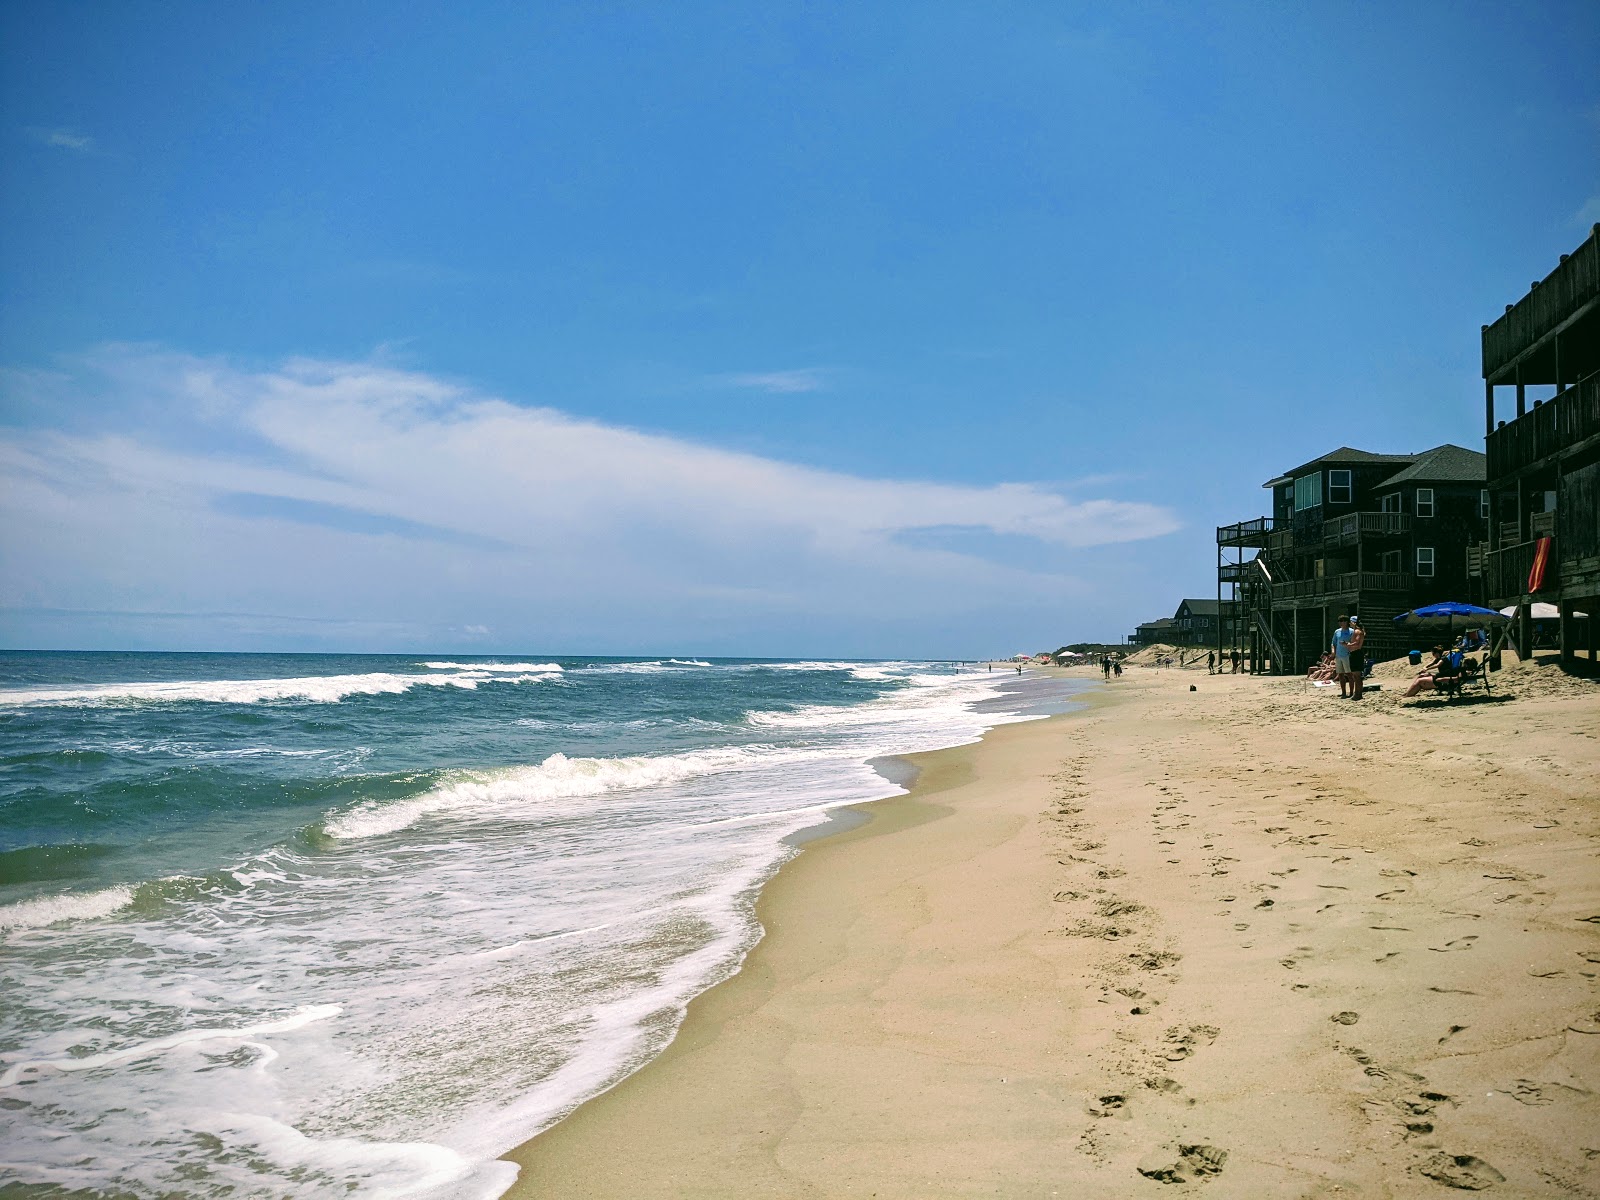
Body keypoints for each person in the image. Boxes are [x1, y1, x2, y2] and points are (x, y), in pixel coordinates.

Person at [1331, 615, 1355, 698]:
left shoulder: (1351, 631)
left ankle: (1351, 692)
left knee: (1349, 674)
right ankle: (1343, 692)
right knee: (1340, 674)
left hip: (1347, 655)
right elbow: (1333, 643)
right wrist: (1333, 652)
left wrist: (1346, 644)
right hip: (1338, 655)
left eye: (1343, 621)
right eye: (1340, 621)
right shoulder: (1337, 631)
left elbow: (1353, 643)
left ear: (1347, 622)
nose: (1341, 623)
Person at [1347, 616, 1367, 700]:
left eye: (1350, 622)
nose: (1349, 624)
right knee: (1355, 675)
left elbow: (1357, 643)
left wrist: (1347, 644)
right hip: (1354, 653)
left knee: (1357, 675)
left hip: (1356, 654)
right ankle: (1357, 693)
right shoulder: (1356, 631)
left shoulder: (1358, 631)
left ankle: (1358, 694)